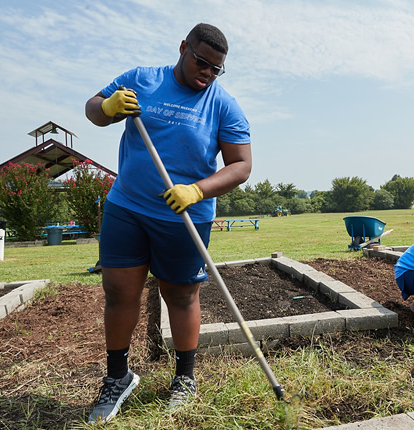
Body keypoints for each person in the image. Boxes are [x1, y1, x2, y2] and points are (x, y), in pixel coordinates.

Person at [83, 23, 252, 423]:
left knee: (180, 295)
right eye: (201, 62)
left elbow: (241, 166)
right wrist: (106, 108)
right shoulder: (142, 80)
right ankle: (117, 377)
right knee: (119, 292)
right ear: (183, 48)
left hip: (184, 217)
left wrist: (197, 190)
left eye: (216, 69)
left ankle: (185, 377)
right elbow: (92, 109)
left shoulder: (223, 105)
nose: (207, 73)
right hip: (127, 207)